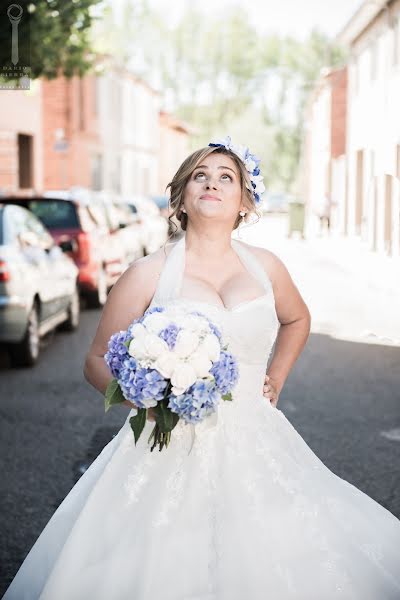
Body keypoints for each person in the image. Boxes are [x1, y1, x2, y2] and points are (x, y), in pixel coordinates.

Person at [4, 137, 400, 600]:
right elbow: (95, 360)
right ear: (182, 197)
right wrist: (147, 403)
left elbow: (298, 319)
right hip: (165, 441)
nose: (212, 183)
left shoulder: (267, 266)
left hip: (256, 434)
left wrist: (276, 379)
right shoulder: (147, 272)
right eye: (200, 175)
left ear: (244, 202)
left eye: (226, 177)